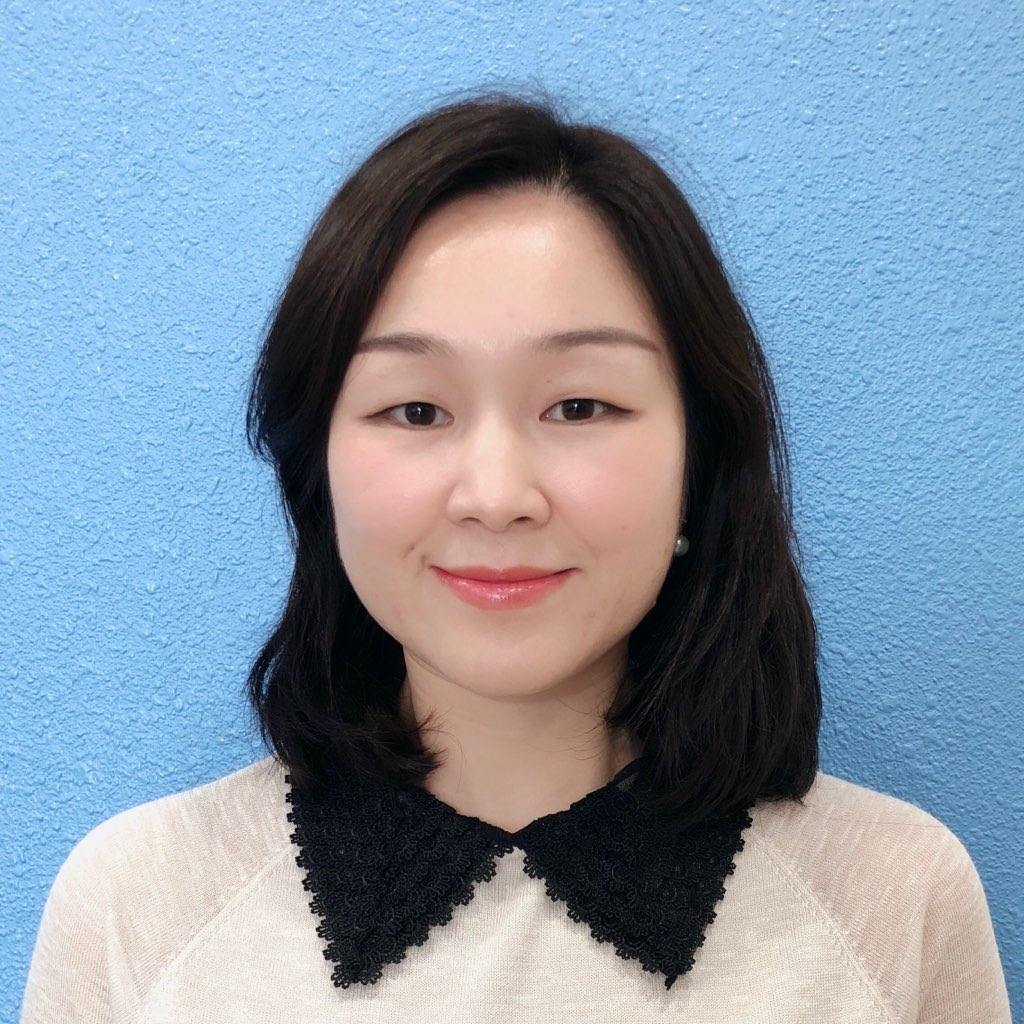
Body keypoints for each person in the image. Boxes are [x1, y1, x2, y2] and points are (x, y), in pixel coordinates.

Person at [19, 90, 1011, 1023]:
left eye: (580, 405)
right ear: (317, 471)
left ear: (700, 462)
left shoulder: (894, 898)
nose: (496, 496)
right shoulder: (139, 905)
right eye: (416, 409)